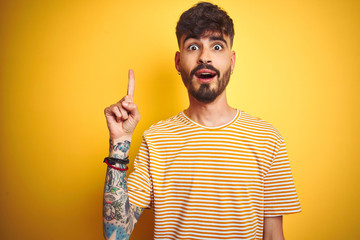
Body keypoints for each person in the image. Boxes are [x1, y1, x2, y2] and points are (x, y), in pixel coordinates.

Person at [103, 2, 301, 240]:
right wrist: (119, 143)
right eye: (193, 46)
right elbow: (117, 234)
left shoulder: (268, 139)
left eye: (217, 46)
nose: (204, 57)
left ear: (232, 60)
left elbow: (273, 236)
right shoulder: (156, 139)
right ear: (178, 61)